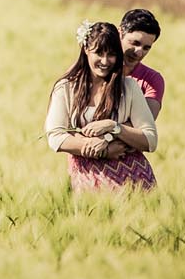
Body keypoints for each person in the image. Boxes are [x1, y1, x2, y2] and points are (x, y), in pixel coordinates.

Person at [46, 19, 158, 193]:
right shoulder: (66, 88)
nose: (105, 61)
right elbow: (55, 136)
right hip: (85, 181)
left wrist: (114, 127)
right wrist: (100, 149)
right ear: (86, 50)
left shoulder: (129, 87)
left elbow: (150, 140)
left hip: (134, 183)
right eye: (99, 53)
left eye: (112, 54)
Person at [120, 8, 163, 120]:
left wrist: (113, 128)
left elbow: (145, 124)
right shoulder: (97, 68)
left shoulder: (152, 80)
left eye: (146, 48)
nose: (139, 52)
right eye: (135, 43)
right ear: (120, 33)